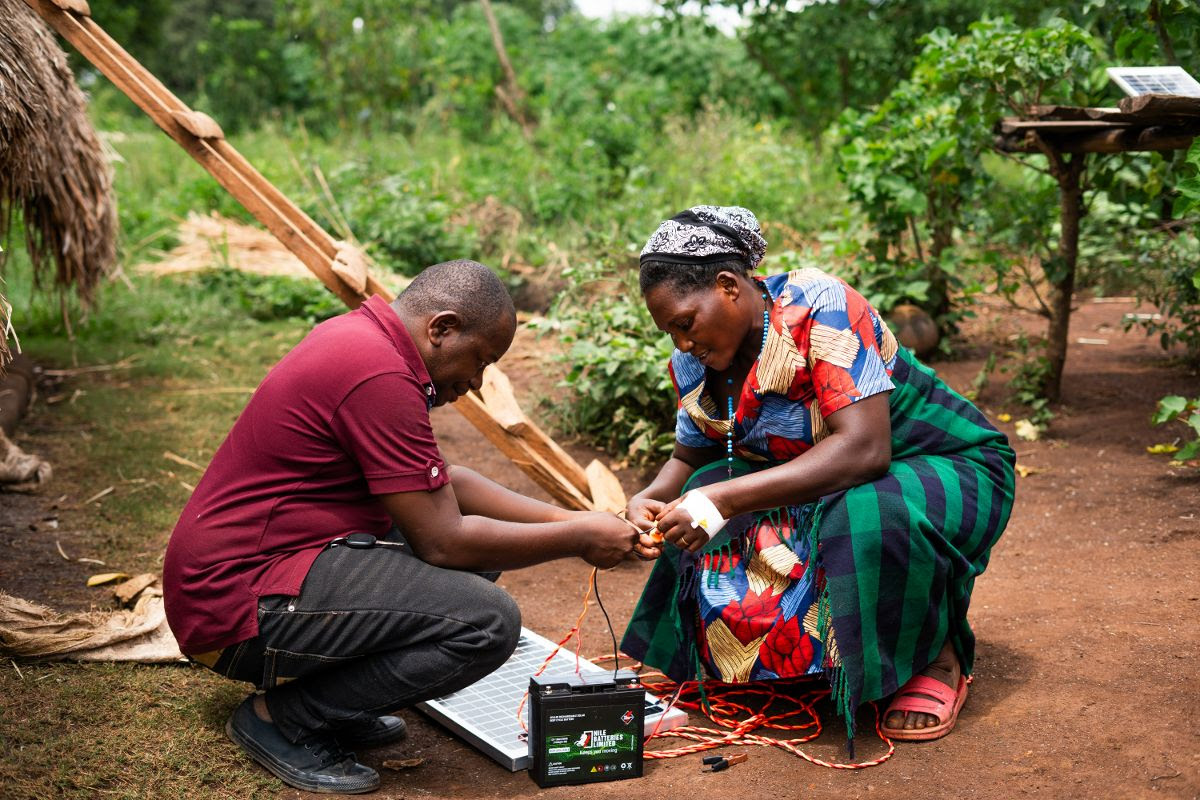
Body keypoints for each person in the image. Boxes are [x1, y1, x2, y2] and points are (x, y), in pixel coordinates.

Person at [163, 259, 637, 794]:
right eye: (480, 360)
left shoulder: (369, 344)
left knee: (488, 553)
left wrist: (580, 519)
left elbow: (446, 484)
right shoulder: (379, 373)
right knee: (487, 621)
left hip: (266, 569)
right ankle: (285, 718)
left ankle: (337, 701)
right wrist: (578, 539)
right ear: (442, 328)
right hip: (233, 603)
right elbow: (443, 542)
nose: (478, 383)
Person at [619, 207, 1016, 744]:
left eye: (685, 323)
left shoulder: (820, 306)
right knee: (700, 492)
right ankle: (789, 658)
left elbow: (866, 450)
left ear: (728, 285)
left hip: (946, 464)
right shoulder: (695, 359)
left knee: (868, 511)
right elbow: (690, 459)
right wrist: (651, 496)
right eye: (671, 331)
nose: (682, 342)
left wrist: (724, 499)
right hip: (837, 475)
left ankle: (937, 659)